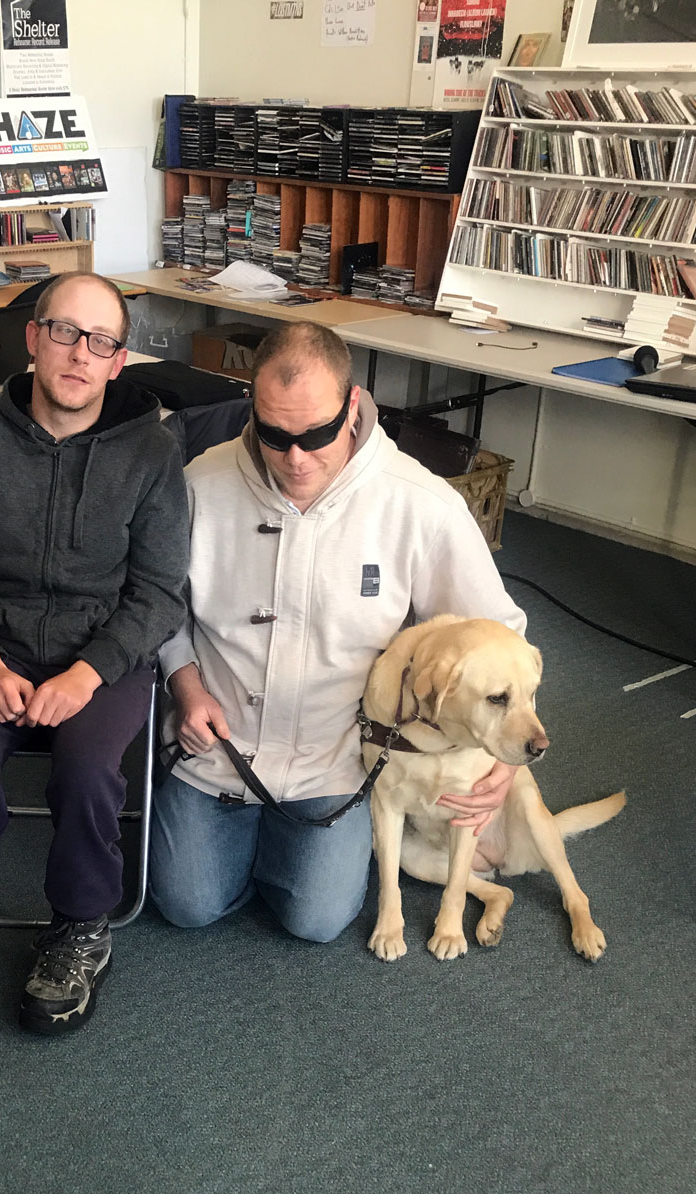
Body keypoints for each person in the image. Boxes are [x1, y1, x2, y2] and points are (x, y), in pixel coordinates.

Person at [0, 272, 189, 1075]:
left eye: (102, 343)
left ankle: (80, 929)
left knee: (91, 772)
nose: (80, 356)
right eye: (64, 332)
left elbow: (160, 594)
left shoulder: (155, 452)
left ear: (119, 362)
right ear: (32, 337)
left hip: (104, 653)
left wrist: (90, 674)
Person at [151, 321, 526, 943]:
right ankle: (249, 837)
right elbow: (157, 604)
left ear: (352, 406)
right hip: (219, 750)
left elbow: (501, 635)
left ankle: (281, 841)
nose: (295, 458)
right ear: (252, 407)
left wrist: (503, 759)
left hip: (339, 761)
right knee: (187, 903)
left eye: (316, 434)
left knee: (317, 921)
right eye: (273, 434)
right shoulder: (200, 484)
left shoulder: (421, 503)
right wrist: (184, 685)